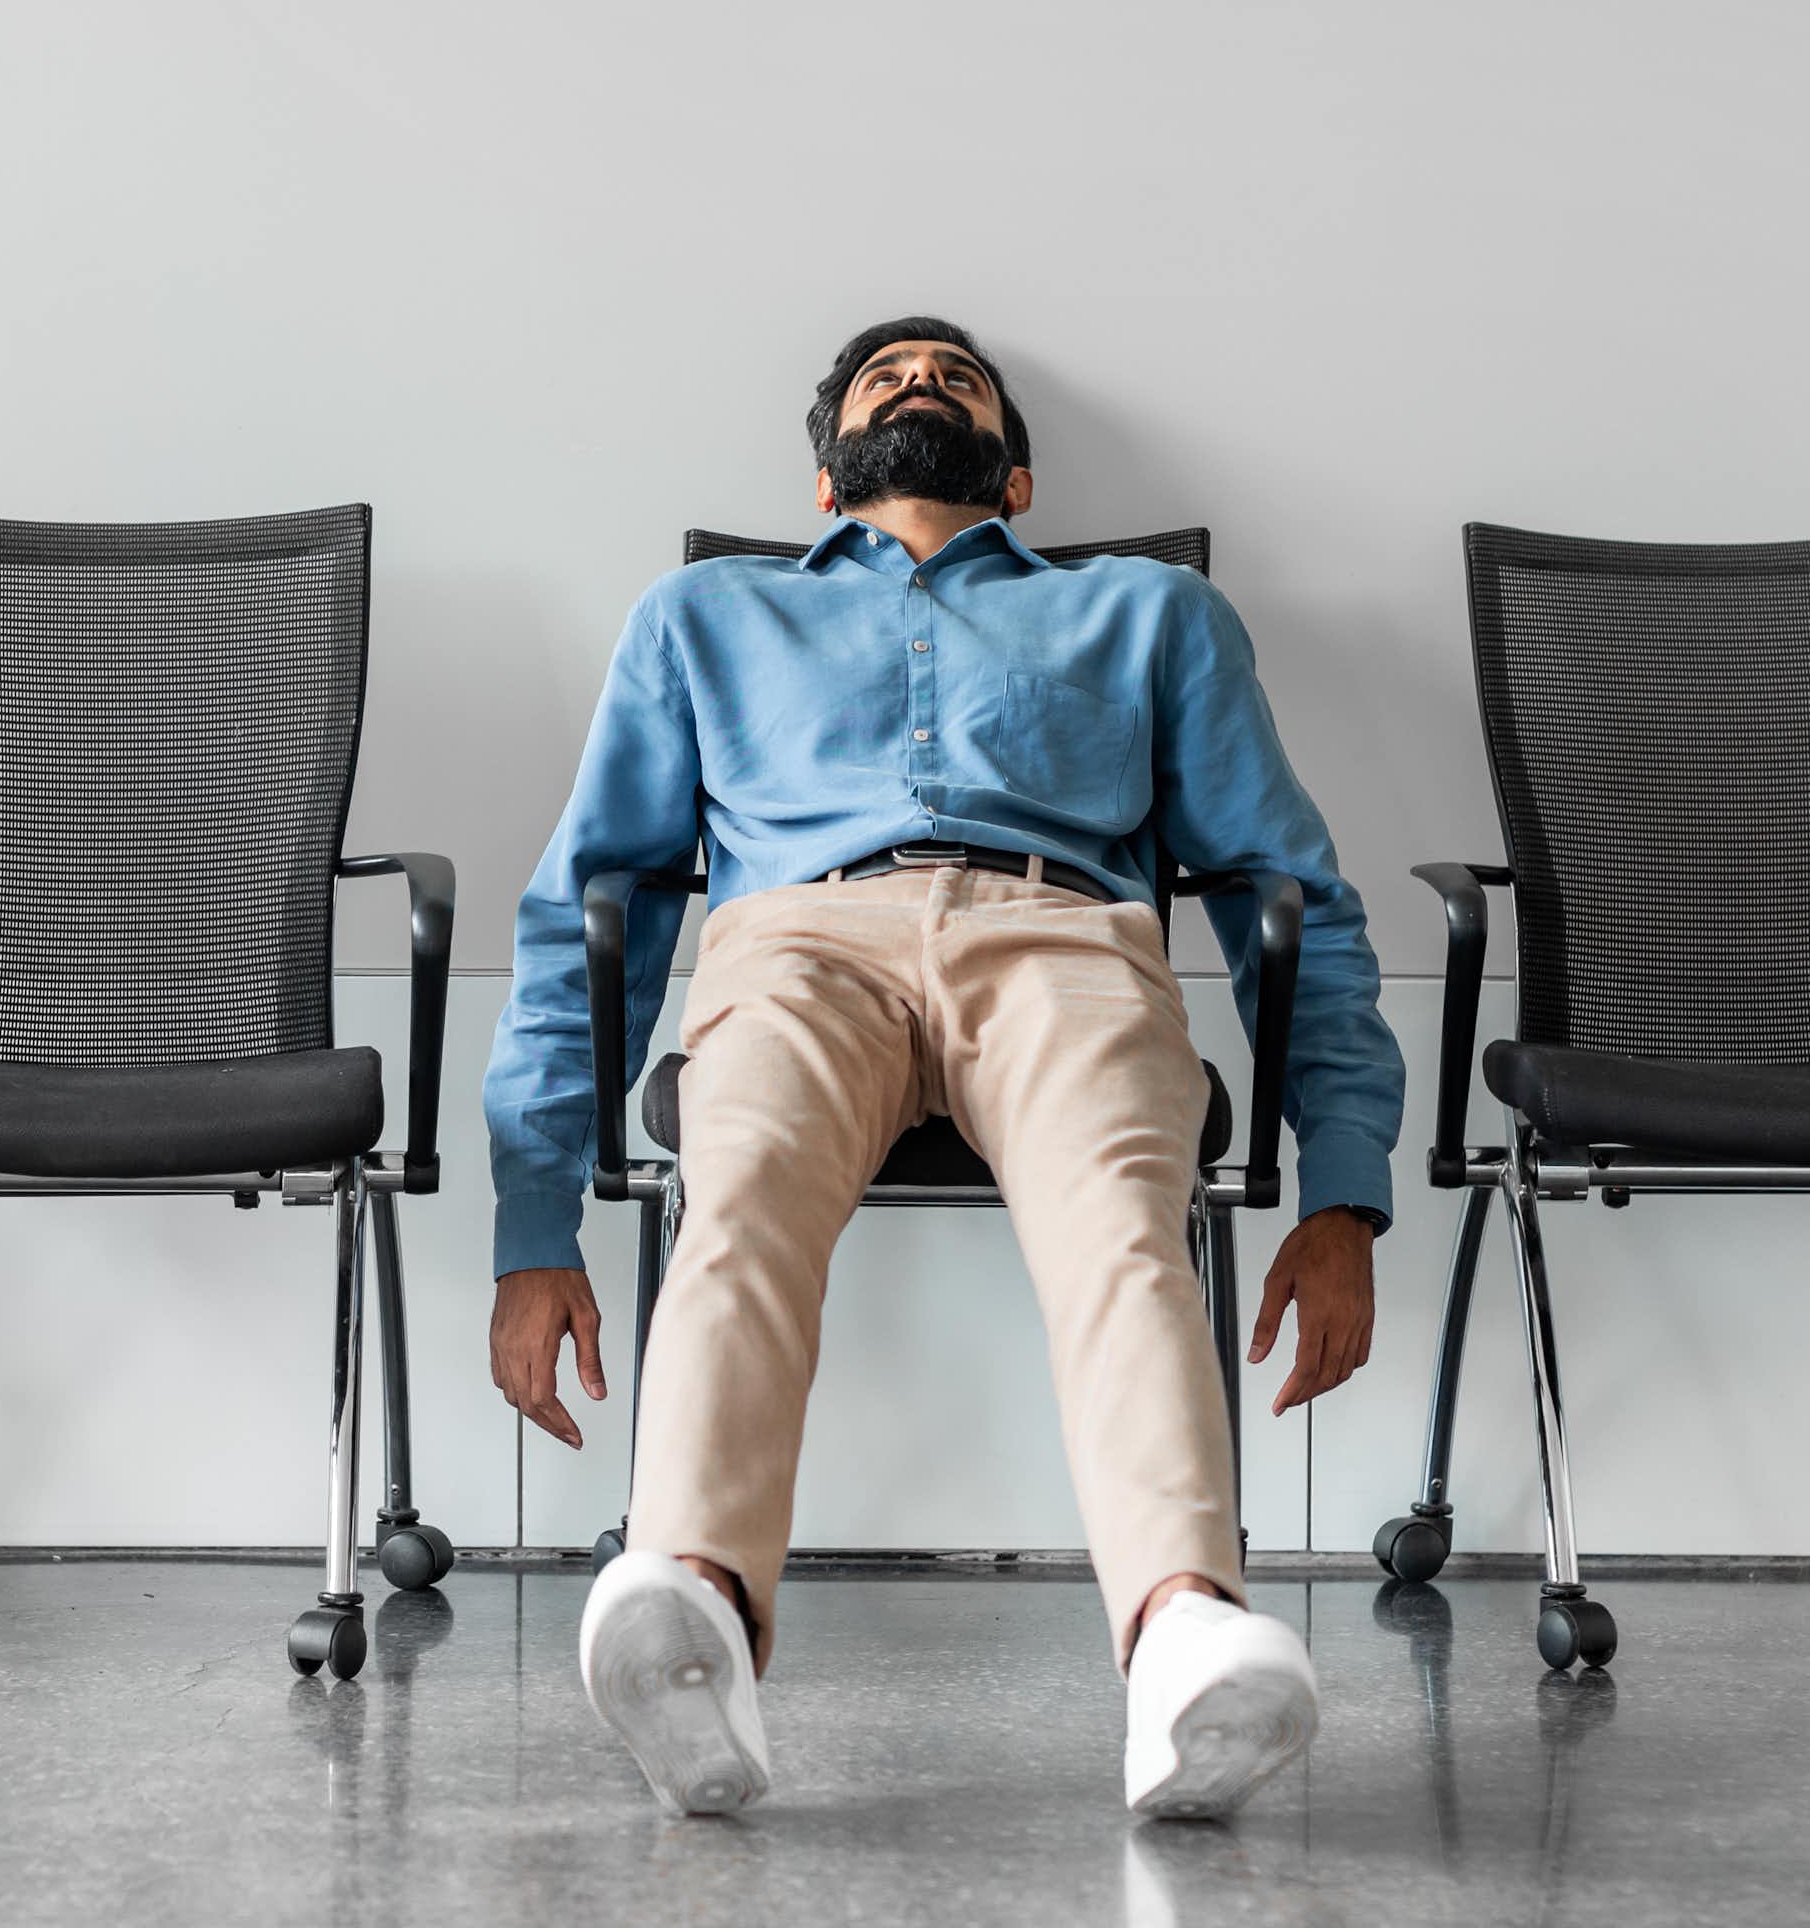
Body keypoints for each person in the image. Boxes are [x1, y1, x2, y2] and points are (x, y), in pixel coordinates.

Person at [481, 316, 1404, 1821]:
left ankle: (1183, 1641)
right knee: (745, 1196)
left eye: (957, 377)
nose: (922, 383)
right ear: (828, 477)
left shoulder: (1151, 613)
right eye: (886, 375)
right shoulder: (701, 615)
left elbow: (1290, 890)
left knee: (1120, 1226)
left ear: (1020, 478)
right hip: (794, 945)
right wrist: (535, 1231)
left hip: (1066, 941)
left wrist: (1343, 1193)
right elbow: (588, 902)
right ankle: (691, 1612)